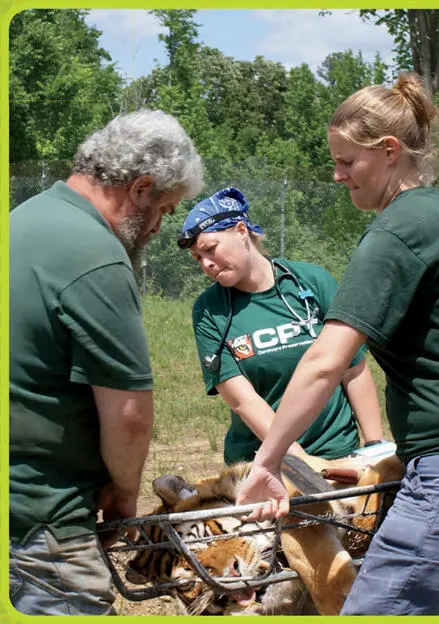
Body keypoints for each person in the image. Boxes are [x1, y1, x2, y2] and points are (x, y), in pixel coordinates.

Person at [236, 71, 439, 615]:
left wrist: (267, 463)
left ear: (390, 151)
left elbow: (328, 360)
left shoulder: (397, 233)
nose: (336, 174)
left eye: (348, 161)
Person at [9, 109, 203, 616]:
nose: (160, 226)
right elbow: (129, 416)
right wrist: (122, 495)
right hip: (45, 517)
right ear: (140, 188)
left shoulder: (22, 220)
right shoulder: (97, 256)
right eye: (164, 207)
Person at [177, 187, 384, 466]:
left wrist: (375, 447)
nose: (206, 264)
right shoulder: (209, 311)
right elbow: (243, 401)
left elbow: (353, 368)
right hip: (262, 465)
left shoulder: (312, 281)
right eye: (197, 259)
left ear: (241, 231)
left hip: (337, 456)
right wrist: (301, 464)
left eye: (210, 250)